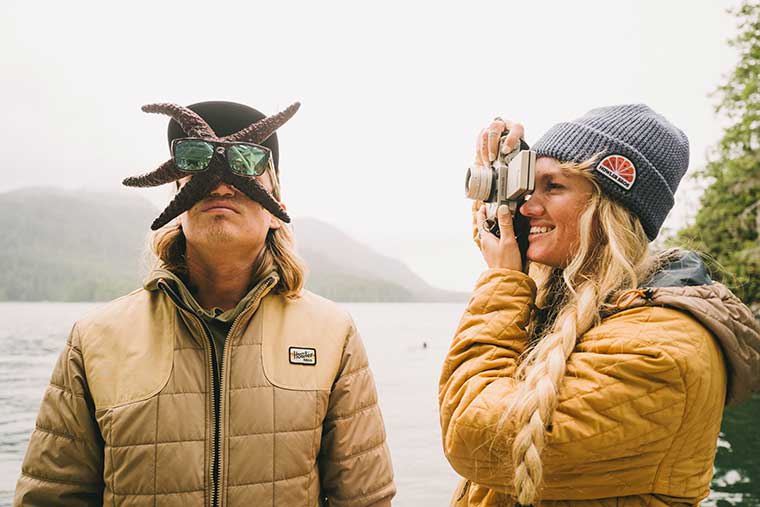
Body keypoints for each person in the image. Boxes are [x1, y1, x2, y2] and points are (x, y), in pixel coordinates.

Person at [15, 101, 395, 507]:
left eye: (246, 162)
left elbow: (364, 499)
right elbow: (50, 497)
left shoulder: (333, 334)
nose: (220, 183)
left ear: (275, 212)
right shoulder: (94, 339)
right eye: (196, 161)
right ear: (177, 203)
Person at [439, 104, 760, 507]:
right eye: (527, 188)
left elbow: (474, 435)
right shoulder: (574, 305)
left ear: (613, 209)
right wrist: (495, 200)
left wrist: (503, 283)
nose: (527, 207)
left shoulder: (663, 349)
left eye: (553, 187)